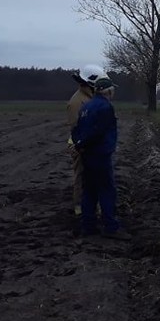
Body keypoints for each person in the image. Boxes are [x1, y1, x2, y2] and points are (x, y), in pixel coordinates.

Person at [73, 75, 129, 239]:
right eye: (112, 91)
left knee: (89, 191)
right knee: (107, 190)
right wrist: (87, 143)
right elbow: (99, 131)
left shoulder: (86, 106)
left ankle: (88, 225)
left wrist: (79, 144)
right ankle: (111, 227)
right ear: (108, 91)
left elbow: (76, 129)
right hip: (100, 154)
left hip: (87, 155)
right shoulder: (105, 108)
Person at [67, 65, 105, 216]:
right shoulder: (77, 102)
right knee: (82, 177)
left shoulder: (89, 98)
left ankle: (93, 207)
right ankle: (80, 209)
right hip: (82, 147)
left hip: (91, 145)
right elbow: (77, 128)